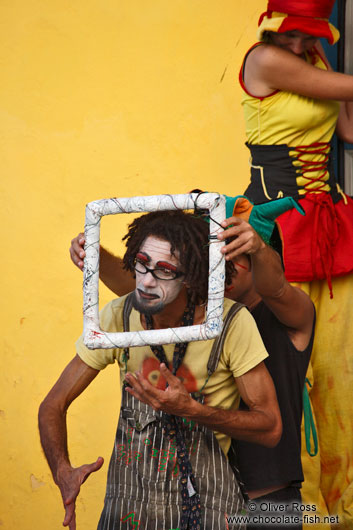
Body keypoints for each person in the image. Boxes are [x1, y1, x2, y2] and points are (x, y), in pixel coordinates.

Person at [40, 210, 282, 530]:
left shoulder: (230, 323)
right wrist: (62, 471)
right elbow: (51, 406)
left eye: (164, 270)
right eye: (141, 263)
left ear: (191, 277)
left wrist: (192, 410)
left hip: (206, 506)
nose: (146, 280)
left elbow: (270, 428)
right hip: (128, 508)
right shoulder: (119, 316)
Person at [237, 0, 353, 522]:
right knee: (286, 369)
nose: (301, 45)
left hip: (328, 227)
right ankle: (292, 509)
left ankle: (341, 505)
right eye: (294, 35)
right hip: (273, 229)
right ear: (272, 26)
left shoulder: (319, 65)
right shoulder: (262, 60)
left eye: (310, 36)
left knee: (336, 368)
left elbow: (347, 134)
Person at [217, 214, 315, 530]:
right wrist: (94, 263)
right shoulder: (202, 318)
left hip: (270, 503)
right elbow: (139, 293)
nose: (223, 266)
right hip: (210, 499)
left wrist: (258, 248)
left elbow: (276, 288)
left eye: (235, 255)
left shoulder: (291, 312)